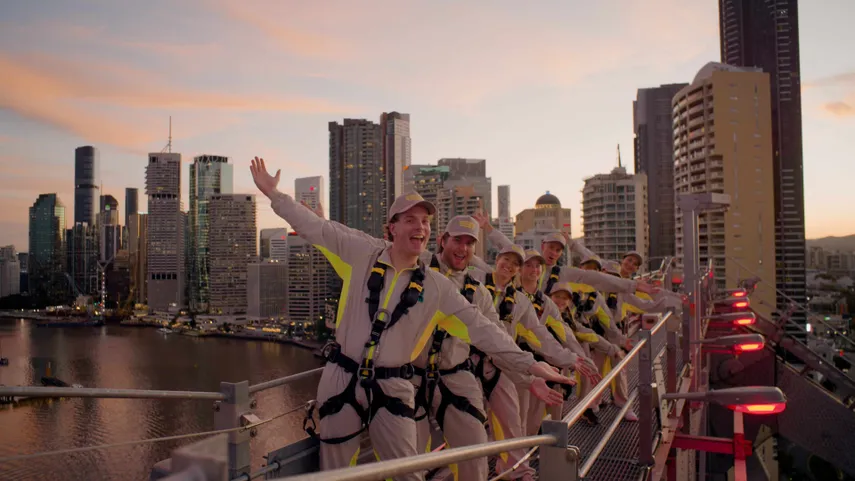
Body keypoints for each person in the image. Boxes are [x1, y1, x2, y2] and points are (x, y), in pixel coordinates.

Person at [250, 158, 569, 480]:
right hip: (341, 376)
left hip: (394, 384)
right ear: (392, 227)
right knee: (336, 469)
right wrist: (274, 195)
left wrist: (529, 364)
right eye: (410, 220)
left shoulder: (436, 286)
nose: (420, 227)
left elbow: (481, 327)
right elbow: (316, 227)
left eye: (425, 221)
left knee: (407, 471)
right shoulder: (363, 252)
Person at [516, 249, 601, 434]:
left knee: (533, 414)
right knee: (516, 415)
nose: (533, 269)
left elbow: (565, 332)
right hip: (512, 363)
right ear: (519, 269)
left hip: (540, 362)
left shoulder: (545, 302)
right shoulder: (512, 297)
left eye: (537, 266)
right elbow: (533, 333)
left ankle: (529, 452)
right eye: (528, 265)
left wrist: (581, 358)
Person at [472, 214, 657, 297]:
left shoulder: (561, 272)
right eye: (551, 247)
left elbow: (595, 277)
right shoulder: (525, 258)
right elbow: (505, 245)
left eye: (558, 250)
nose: (553, 253)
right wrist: (487, 226)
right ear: (543, 246)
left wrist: (633, 285)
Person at [548, 282, 623, 425]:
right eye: (557, 296)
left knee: (555, 405)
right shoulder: (542, 315)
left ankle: (553, 440)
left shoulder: (568, 319)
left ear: (570, 302)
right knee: (536, 410)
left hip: (559, 366)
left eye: (565, 298)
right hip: (540, 366)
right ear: (549, 297)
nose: (561, 301)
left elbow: (586, 334)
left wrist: (612, 348)